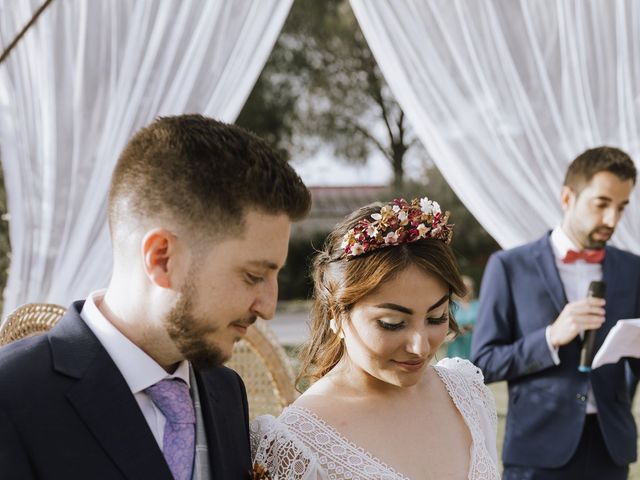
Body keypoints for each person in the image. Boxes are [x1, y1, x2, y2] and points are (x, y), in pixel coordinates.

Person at [0, 114, 311, 480]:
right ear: (161, 257)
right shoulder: (12, 396)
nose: (268, 307)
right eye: (253, 276)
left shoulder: (226, 392)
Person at [251, 198, 500, 479]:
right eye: (392, 324)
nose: (419, 346)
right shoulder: (296, 444)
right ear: (338, 313)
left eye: (436, 317)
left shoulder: (468, 395)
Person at [471, 146, 640, 479]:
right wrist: (550, 338)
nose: (612, 220)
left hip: (610, 447)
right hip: (537, 450)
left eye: (621, 207)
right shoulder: (509, 267)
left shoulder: (633, 269)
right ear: (567, 198)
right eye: (602, 204)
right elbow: (482, 364)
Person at [447, 275, 478, 359]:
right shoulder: (451, 305)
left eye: (469, 287)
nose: (467, 289)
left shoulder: (478, 304)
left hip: (474, 346)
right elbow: (445, 326)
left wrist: (474, 328)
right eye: (464, 287)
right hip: (456, 347)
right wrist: (457, 329)